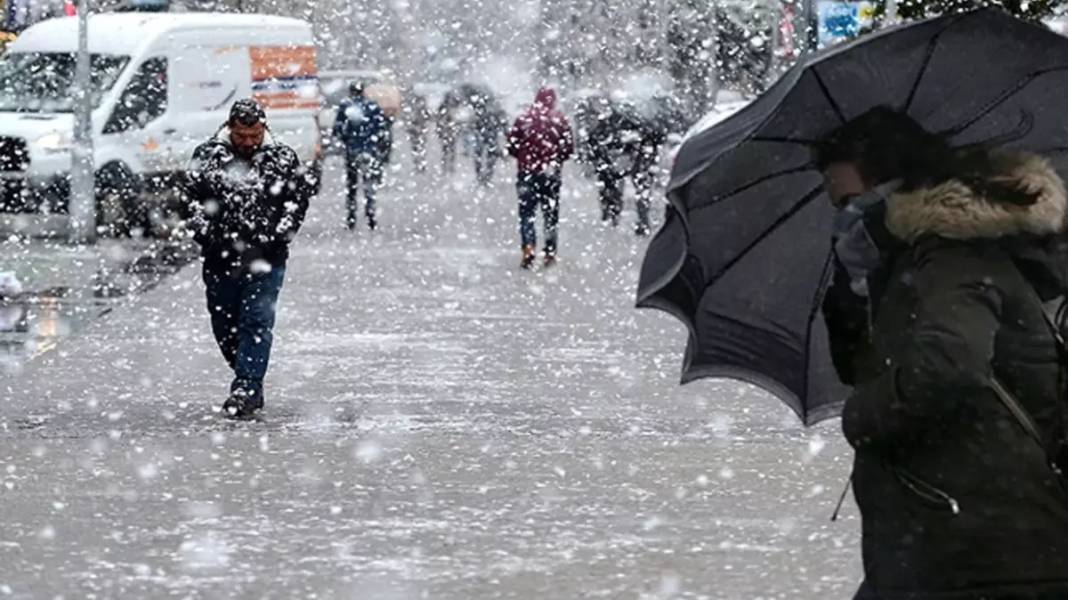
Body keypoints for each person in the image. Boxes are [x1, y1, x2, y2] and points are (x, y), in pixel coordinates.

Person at [819, 107, 1068, 598]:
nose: (845, 216)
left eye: (852, 200)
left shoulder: (952, 256)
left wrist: (860, 417)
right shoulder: (911, 262)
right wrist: (851, 292)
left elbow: (949, 365)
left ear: (891, 189)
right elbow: (863, 365)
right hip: (958, 540)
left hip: (982, 545)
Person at [184, 99, 312, 419]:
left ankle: (247, 386)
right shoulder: (207, 157)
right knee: (225, 325)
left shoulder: (282, 158)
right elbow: (190, 200)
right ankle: (247, 372)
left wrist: (278, 237)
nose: (248, 142)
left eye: (253, 135)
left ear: (263, 129)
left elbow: (296, 203)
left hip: (265, 258)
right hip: (220, 257)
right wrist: (205, 234)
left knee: (256, 320)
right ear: (230, 129)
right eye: (241, 135)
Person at [506, 87, 574, 269]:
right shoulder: (560, 121)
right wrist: (554, 160)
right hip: (550, 175)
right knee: (550, 214)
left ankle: (528, 248)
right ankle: (550, 252)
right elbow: (568, 149)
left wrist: (524, 158)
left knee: (527, 214)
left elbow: (512, 145)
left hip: (527, 173)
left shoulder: (524, 119)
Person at [333, 81, 392, 231]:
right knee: (369, 184)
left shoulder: (346, 107)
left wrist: (345, 140)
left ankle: (351, 217)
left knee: (352, 185)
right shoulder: (372, 107)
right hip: (370, 150)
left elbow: (339, 129)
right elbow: (382, 128)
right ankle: (370, 215)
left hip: (352, 150)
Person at [404, 93, 431, 173]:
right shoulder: (420, 109)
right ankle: (419, 163)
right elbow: (428, 117)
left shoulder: (413, 109)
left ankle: (419, 163)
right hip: (418, 131)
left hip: (417, 131)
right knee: (419, 147)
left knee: (417, 148)